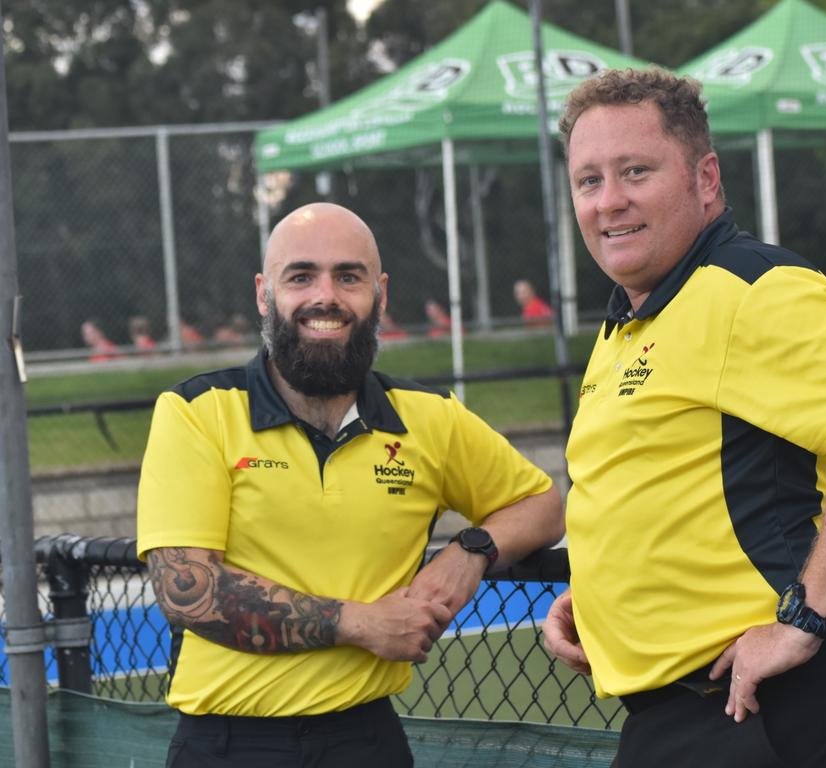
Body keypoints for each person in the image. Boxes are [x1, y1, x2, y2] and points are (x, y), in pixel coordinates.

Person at [541, 68, 826, 768]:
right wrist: (604, 595)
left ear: (706, 179)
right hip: (692, 716)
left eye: (636, 171)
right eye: (588, 181)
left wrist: (804, 621)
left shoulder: (756, 289)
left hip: (778, 705)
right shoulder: (631, 321)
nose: (610, 201)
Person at [136, 202, 564, 767]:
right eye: (301, 276)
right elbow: (186, 592)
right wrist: (359, 624)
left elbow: (541, 504)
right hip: (228, 746)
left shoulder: (429, 416)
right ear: (264, 294)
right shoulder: (196, 411)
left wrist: (471, 552)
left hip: (366, 744)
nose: (326, 297)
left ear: (380, 293)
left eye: (349, 276)